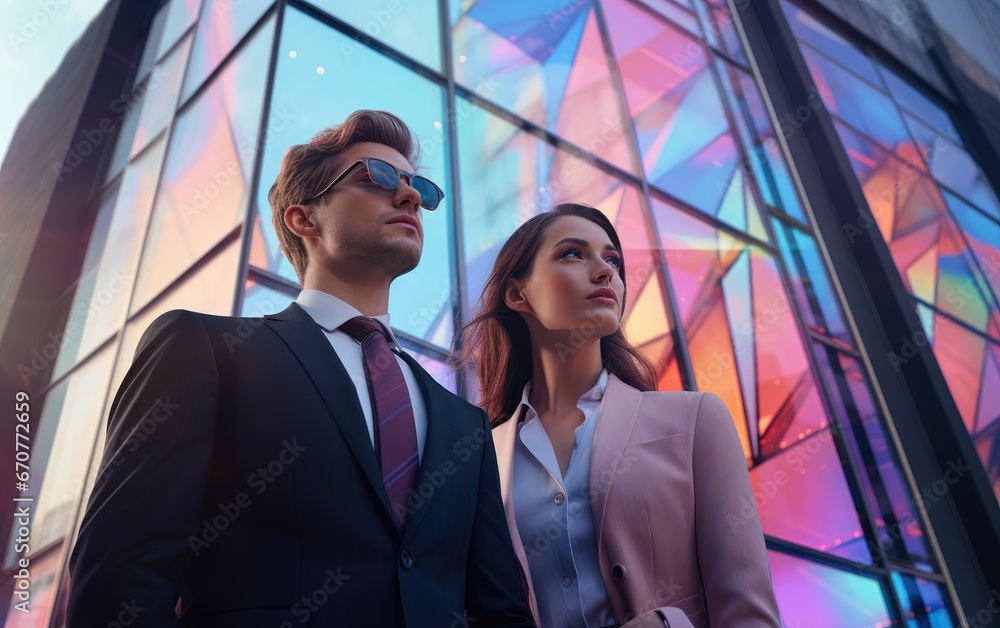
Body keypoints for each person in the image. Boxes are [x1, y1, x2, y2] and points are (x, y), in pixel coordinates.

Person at [68, 110, 534, 627]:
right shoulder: (205, 351)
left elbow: (501, 611)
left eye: (417, 186)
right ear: (303, 218)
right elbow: (121, 573)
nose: (408, 197)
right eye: (376, 177)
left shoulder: (464, 423)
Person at [454, 203, 781, 627]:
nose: (606, 271)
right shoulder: (482, 457)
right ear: (518, 294)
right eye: (573, 253)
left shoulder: (695, 421)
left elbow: (749, 612)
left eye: (613, 260)